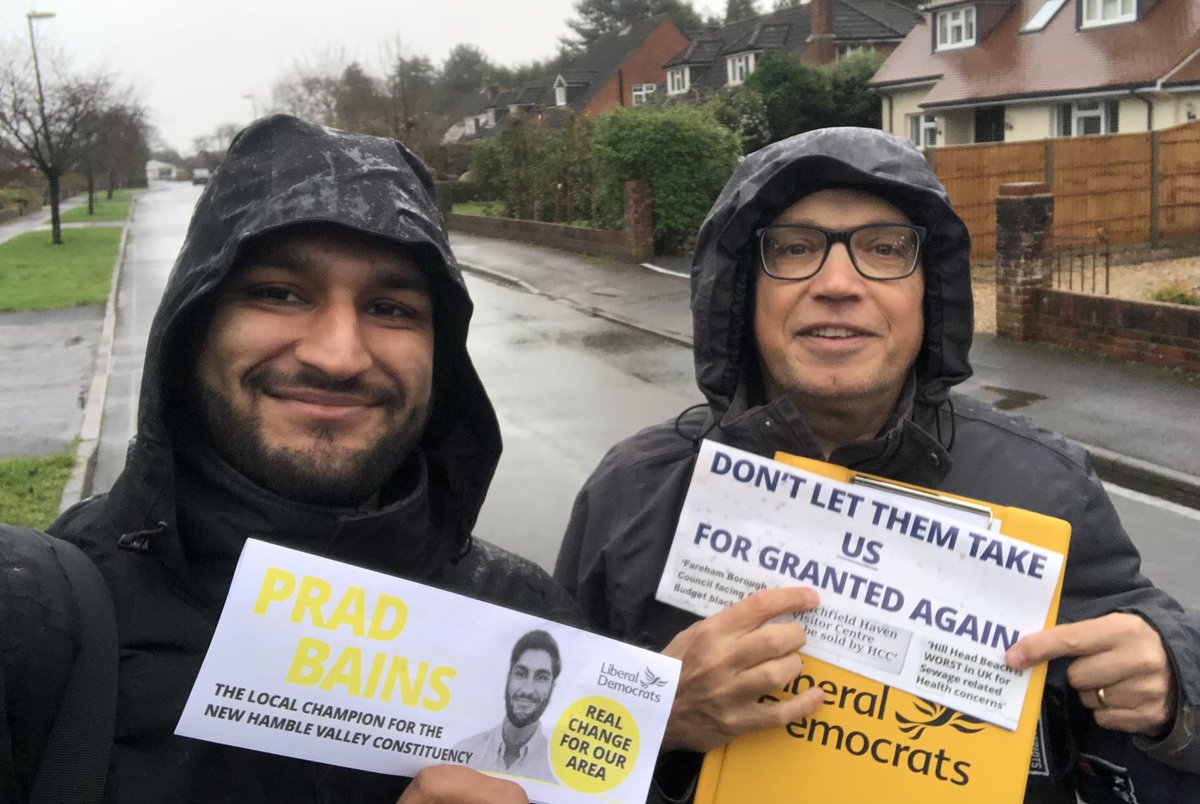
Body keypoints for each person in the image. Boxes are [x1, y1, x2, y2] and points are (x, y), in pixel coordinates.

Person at [554, 127, 1200, 801]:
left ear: (930, 294)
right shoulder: (632, 493)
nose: (837, 283)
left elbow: (1155, 671)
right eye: (795, 248)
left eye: (885, 249)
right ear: (744, 290)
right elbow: (534, 744)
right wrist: (649, 716)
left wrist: (1174, 676)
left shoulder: (1046, 485)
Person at [20, 114, 575, 803]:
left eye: (392, 308)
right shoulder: (47, 622)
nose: (338, 356)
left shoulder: (528, 623)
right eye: (279, 293)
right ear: (194, 324)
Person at [455, 629, 561, 782]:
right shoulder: (464, 750)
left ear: (552, 688)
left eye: (541, 678)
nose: (527, 689)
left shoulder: (559, 775)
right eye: (521, 673)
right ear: (508, 678)